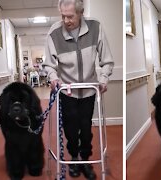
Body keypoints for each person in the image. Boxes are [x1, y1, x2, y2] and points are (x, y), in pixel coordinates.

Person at [42, 0, 114, 179]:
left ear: (81, 13)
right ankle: (74, 158)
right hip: (67, 91)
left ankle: (85, 160)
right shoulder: (54, 33)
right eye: (63, 16)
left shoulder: (95, 27)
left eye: (70, 16)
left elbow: (107, 60)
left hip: (89, 90)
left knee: (86, 127)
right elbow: (48, 65)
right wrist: (53, 79)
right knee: (71, 129)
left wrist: (103, 79)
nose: (66, 20)